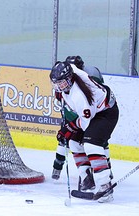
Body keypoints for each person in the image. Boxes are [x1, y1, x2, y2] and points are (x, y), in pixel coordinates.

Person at [49, 61, 119, 203]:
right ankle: (87, 177)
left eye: (61, 83)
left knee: (91, 144)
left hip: (106, 112)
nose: (58, 87)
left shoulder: (79, 96)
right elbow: (69, 65)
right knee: (74, 142)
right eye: (56, 83)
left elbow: (85, 122)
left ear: (69, 79)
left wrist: (70, 127)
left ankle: (105, 186)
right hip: (94, 111)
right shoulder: (72, 73)